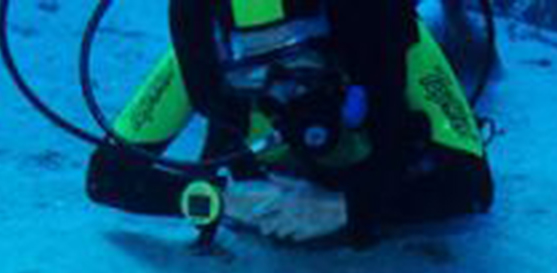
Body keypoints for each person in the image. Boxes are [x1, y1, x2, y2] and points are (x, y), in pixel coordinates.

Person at [86, 0, 494, 245]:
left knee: (476, 66)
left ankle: (452, 17)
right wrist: (221, 200)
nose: (281, 89)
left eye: (297, 60)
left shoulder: (391, 47)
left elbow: (470, 186)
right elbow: (108, 177)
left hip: (399, 114)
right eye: (254, 69)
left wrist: (346, 208)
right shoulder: (204, 63)